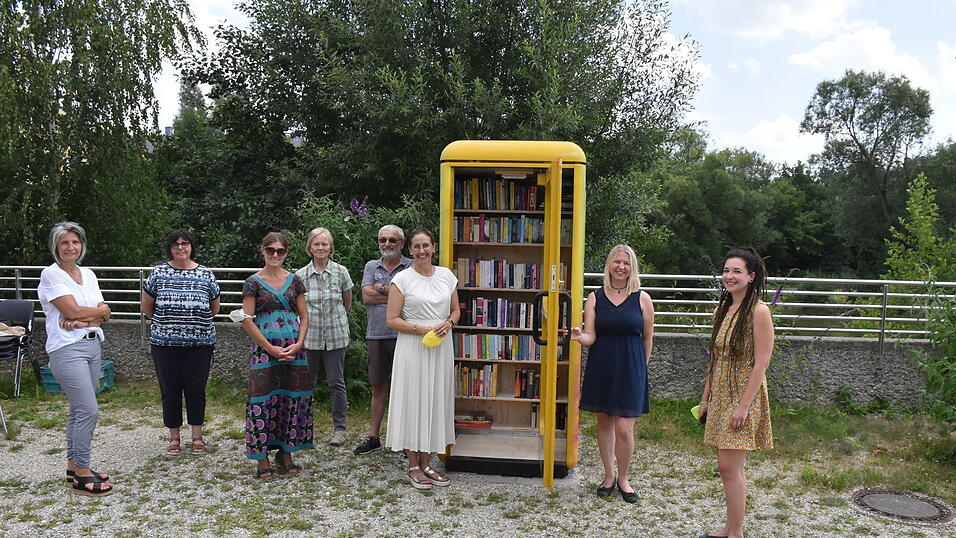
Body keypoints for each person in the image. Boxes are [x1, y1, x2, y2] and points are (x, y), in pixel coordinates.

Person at [698, 247, 774, 538]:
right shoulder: (723, 309)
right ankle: (730, 528)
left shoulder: (759, 311)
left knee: (730, 467)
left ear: (751, 276)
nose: (729, 276)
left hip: (745, 396)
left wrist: (743, 406)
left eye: (737, 271)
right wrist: (705, 399)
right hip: (721, 395)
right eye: (726, 270)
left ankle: (736, 532)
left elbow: (761, 362)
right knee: (727, 467)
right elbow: (715, 359)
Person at [570, 244, 654, 503]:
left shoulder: (642, 298)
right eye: (617, 262)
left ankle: (624, 478)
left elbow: (648, 338)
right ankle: (608, 475)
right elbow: (591, 335)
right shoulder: (595, 297)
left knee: (625, 429)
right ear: (609, 265)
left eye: (626, 263)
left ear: (632, 267)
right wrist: (578, 337)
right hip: (602, 366)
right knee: (604, 423)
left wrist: (641, 369)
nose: (621, 267)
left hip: (632, 369)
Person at [37, 222, 113, 496]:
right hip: (67, 349)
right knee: (88, 410)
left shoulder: (88, 274)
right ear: (56, 246)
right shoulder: (51, 275)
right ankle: (82, 472)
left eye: (75, 242)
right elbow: (69, 309)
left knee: (79, 410)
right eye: (65, 243)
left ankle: (73, 467)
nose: (71, 247)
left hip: (92, 346)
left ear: (82, 246)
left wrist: (84, 318)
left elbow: (105, 311)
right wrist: (90, 315)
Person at [384, 228, 459, 489]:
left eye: (425, 245)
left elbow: (456, 309)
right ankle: (413, 465)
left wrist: (448, 323)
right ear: (410, 250)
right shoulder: (402, 280)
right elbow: (391, 320)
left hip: (440, 346)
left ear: (433, 247)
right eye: (416, 247)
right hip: (412, 346)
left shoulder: (447, 275)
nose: (422, 251)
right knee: (413, 401)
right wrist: (420, 329)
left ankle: (428, 463)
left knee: (434, 400)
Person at [141, 229, 221, 455]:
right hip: (165, 344)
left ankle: (197, 436)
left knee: (196, 390)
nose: (180, 248)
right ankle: (174, 437)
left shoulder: (206, 274)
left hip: (200, 344)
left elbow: (214, 307)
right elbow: (147, 307)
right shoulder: (158, 273)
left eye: (185, 243)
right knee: (170, 390)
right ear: (170, 248)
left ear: (191, 246)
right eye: (176, 244)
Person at [241, 232, 314, 478]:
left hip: (294, 348)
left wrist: (300, 343)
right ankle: (261, 458)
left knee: (291, 399)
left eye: (280, 251)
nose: (275, 255)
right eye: (270, 250)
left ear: (286, 253)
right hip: (265, 351)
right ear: (262, 251)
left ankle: (286, 453)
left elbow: (304, 315)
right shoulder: (252, 282)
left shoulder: (295, 281)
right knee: (262, 400)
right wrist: (268, 348)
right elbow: (247, 320)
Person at [353, 225, 412, 456]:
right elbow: (366, 296)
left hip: (404, 335)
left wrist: (380, 289)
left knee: (406, 389)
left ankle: (407, 440)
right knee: (378, 386)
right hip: (376, 334)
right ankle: (374, 436)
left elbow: (411, 298)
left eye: (392, 240)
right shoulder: (371, 266)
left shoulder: (410, 266)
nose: (386, 244)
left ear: (401, 243)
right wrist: (394, 293)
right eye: (382, 240)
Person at [295, 227, 353, 446]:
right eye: (316, 244)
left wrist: (337, 317)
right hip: (309, 338)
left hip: (336, 336)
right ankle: (302, 426)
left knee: (336, 382)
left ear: (331, 248)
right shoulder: (300, 275)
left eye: (324, 244)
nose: (320, 248)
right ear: (309, 248)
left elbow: (347, 302)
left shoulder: (341, 272)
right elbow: (299, 308)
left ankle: (340, 428)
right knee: (306, 383)